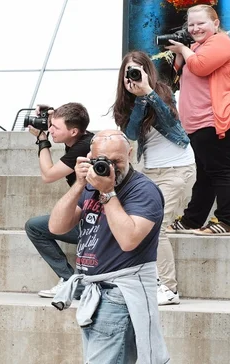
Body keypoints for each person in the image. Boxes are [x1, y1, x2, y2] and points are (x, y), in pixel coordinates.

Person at [49, 130, 169, 363]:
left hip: (119, 295)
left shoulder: (143, 190)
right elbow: (56, 226)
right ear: (89, 157)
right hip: (95, 292)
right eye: (101, 160)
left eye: (116, 161)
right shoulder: (91, 183)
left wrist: (107, 192)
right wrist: (78, 184)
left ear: (130, 154)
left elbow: (129, 239)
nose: (110, 167)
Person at [114, 50, 195, 305]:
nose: (135, 75)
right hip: (149, 172)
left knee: (156, 227)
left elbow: (170, 122)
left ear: (148, 70)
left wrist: (148, 92)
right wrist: (138, 99)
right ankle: (150, 281)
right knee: (139, 226)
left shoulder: (162, 91)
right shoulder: (125, 102)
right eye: (130, 71)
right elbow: (133, 133)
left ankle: (169, 289)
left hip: (178, 169)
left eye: (139, 69)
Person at [164, 4, 230, 235]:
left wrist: (184, 47)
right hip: (200, 124)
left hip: (219, 120)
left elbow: (200, 67)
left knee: (221, 172)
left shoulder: (220, 42)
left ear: (216, 23)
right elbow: (179, 70)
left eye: (201, 23)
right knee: (205, 174)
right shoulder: (198, 46)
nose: (195, 28)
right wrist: (182, 50)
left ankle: (227, 221)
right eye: (191, 24)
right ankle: (193, 219)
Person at [24, 102, 93, 298]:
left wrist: (42, 139)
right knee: (35, 226)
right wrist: (51, 113)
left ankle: (72, 283)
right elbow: (71, 117)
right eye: (50, 125)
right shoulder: (78, 138)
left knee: (35, 228)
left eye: (55, 127)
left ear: (73, 132)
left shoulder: (84, 147)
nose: (51, 129)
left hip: (97, 223)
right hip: (85, 212)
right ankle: (71, 281)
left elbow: (48, 175)